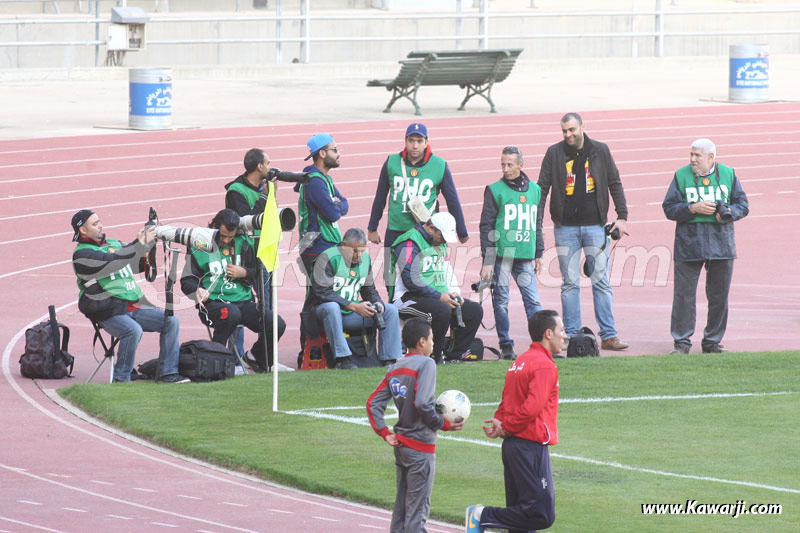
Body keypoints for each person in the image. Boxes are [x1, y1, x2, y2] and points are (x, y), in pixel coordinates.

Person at [465, 309, 565, 533]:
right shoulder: (544, 365)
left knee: (521, 514)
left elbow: (507, 400)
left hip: (514, 446)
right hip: (529, 445)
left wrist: (501, 423)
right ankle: (481, 515)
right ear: (548, 333)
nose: (564, 335)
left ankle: (482, 516)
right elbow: (532, 408)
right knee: (541, 514)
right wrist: (506, 427)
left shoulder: (520, 362)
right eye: (561, 330)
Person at [537, 112, 629, 351]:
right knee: (569, 283)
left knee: (601, 281)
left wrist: (622, 217)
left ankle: (608, 335)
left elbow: (614, 182)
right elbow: (541, 190)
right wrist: (537, 224)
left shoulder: (600, 150)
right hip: (564, 227)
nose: (568, 134)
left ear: (581, 127)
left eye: (572, 129)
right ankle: (572, 336)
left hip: (595, 226)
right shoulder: (554, 153)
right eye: (564, 131)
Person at [366, 318, 464, 533]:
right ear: (422, 341)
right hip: (420, 447)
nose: (433, 343)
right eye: (432, 339)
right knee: (417, 512)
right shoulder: (426, 364)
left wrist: (384, 432)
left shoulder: (395, 367)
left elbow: (373, 403)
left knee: (401, 508)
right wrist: (442, 424)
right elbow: (422, 403)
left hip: (402, 447)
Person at [71, 209, 188, 383]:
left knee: (171, 321)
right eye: (95, 223)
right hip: (108, 311)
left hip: (132, 306)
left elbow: (136, 264)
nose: (101, 225)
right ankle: (121, 378)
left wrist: (147, 246)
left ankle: (168, 372)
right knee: (132, 330)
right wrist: (138, 243)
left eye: (99, 221)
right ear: (83, 230)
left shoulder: (114, 243)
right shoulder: (82, 254)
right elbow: (113, 262)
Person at [662, 138, 749, 354]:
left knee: (719, 296)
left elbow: (743, 205)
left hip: (722, 243)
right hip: (688, 243)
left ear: (711, 157)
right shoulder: (681, 175)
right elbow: (669, 207)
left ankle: (712, 342)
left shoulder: (728, 174)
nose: (692, 159)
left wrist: (729, 214)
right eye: (691, 154)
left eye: (697, 155)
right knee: (684, 296)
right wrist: (692, 208)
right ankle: (682, 343)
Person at [180, 209, 287, 373]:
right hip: (214, 304)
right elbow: (187, 280)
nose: (226, 240)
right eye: (223, 236)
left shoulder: (244, 243)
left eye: (230, 237)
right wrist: (197, 291)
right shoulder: (198, 246)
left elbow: (259, 274)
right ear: (214, 226)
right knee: (231, 313)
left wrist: (245, 273)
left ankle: (255, 358)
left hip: (244, 302)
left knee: (276, 323)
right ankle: (216, 363)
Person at [367, 123, 469, 289]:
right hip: (396, 229)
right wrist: (372, 227)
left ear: (426, 142)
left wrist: (462, 231)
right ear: (405, 141)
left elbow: (452, 200)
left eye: (419, 141)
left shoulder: (439, 165)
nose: (415, 145)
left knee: (428, 278)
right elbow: (380, 196)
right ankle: (395, 304)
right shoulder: (392, 162)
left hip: (425, 233)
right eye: (411, 140)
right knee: (391, 278)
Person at [391, 212, 483, 362]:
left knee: (473, 310)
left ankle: (453, 356)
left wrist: (454, 293)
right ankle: (435, 355)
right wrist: (439, 296)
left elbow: (447, 272)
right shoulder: (409, 242)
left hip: (437, 298)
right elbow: (411, 280)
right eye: (443, 236)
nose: (444, 241)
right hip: (407, 298)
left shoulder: (440, 243)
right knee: (442, 310)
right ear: (431, 229)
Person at [479, 146, 543, 360]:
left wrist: (539, 252)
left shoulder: (535, 190)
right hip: (501, 256)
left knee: (533, 301)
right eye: (502, 165)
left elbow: (537, 223)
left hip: (524, 255)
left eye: (509, 165)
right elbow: (487, 226)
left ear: (520, 165)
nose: (505, 169)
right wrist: (488, 260)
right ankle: (506, 344)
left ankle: (541, 344)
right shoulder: (494, 190)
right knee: (501, 300)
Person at [310, 228, 402, 369]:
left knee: (390, 310)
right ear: (344, 245)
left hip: (351, 313)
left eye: (361, 251)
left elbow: (368, 290)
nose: (358, 255)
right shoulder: (327, 258)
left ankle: (389, 359)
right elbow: (322, 293)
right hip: (324, 312)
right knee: (332, 307)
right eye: (354, 251)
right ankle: (343, 359)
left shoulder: (365, 260)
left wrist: (378, 303)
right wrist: (353, 306)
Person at [295, 133, 349, 276]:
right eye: (335, 150)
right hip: (319, 246)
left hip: (325, 244)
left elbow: (345, 203)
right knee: (322, 289)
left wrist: (336, 205)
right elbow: (333, 214)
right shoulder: (315, 182)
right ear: (322, 153)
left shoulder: (324, 179)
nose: (338, 154)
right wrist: (336, 205)